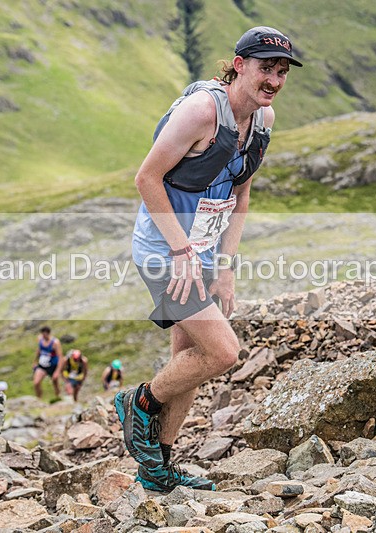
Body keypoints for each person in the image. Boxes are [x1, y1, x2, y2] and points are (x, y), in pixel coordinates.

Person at [122, 26, 300, 492]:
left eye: (282, 72)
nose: (274, 80)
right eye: (266, 68)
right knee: (222, 352)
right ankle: (139, 403)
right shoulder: (202, 111)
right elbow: (146, 178)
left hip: (202, 254)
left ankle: (157, 468)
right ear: (239, 65)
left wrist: (225, 267)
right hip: (165, 251)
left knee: (189, 358)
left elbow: (241, 195)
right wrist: (181, 251)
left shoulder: (263, 119)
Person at [32, 326, 63, 401]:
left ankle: (58, 398)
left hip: (53, 365)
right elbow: (39, 350)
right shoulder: (40, 339)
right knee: (36, 382)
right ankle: (39, 399)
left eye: (45, 335)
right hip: (42, 365)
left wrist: (57, 371)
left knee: (55, 382)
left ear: (48, 333)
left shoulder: (55, 342)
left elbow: (60, 357)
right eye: (42, 334)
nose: (43, 336)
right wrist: (35, 361)